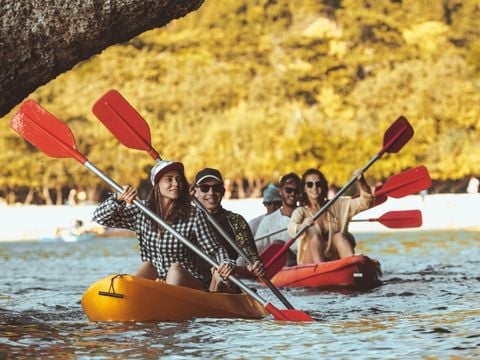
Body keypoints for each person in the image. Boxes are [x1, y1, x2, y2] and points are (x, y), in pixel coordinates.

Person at [92, 160, 236, 291]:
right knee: (148, 265)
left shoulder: (194, 214)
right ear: (157, 184)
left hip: (188, 282)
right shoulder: (141, 210)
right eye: (169, 179)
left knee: (175, 268)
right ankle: (131, 294)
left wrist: (226, 262)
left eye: (179, 179)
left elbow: (215, 249)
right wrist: (118, 198)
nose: (176, 184)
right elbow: (99, 217)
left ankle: (167, 297)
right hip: (156, 278)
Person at [193, 168, 265, 288]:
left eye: (216, 188)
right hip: (192, 282)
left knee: (220, 274)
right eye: (204, 188)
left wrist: (255, 265)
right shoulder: (186, 219)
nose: (211, 193)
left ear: (223, 191)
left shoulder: (236, 221)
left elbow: (250, 255)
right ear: (195, 191)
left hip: (225, 279)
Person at [289, 168, 373, 265]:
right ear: (304, 188)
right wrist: (302, 226)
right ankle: (321, 271)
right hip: (310, 262)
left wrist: (362, 181)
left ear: (323, 186)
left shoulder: (337, 204)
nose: (314, 187)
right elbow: (291, 229)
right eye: (310, 184)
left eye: (318, 183)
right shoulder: (300, 211)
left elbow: (366, 202)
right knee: (315, 238)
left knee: (338, 236)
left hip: (334, 256)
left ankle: (353, 267)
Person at [255, 173, 301, 264]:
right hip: (279, 270)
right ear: (280, 191)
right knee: (278, 244)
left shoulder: (308, 216)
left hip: (303, 264)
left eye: (296, 191)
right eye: (288, 190)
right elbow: (256, 248)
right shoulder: (268, 221)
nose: (293, 194)